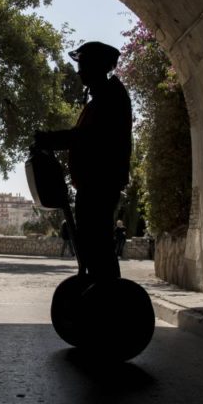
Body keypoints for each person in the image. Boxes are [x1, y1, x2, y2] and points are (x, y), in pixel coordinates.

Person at [34, 41, 132, 279]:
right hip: (93, 183)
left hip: (100, 184)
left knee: (98, 246)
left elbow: (88, 137)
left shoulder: (110, 98)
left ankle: (108, 297)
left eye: (84, 65)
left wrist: (51, 139)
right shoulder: (101, 98)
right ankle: (100, 293)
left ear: (97, 67)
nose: (79, 71)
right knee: (92, 245)